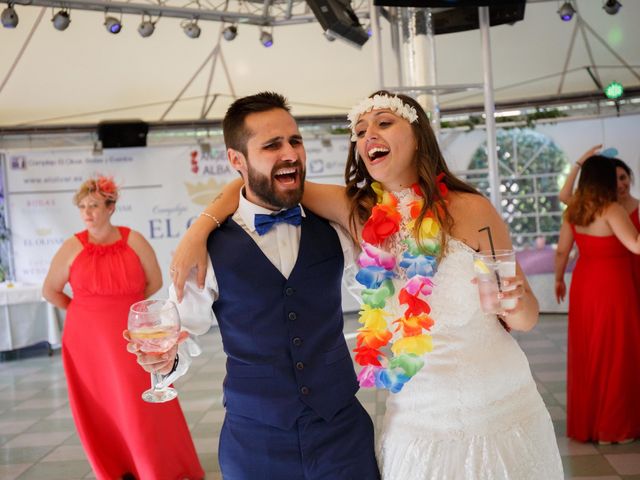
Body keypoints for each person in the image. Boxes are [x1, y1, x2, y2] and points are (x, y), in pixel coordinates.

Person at [169, 91, 563, 479]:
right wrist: (199, 230)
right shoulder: (356, 212)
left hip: (497, 402)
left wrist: (517, 301)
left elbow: (525, 318)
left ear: (417, 135)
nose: (367, 135)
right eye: (360, 130)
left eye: (384, 123)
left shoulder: (471, 209)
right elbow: (258, 184)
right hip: (416, 416)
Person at [132, 92, 380, 479]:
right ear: (236, 160)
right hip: (255, 445)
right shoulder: (207, 250)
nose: (290, 153)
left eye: (295, 141)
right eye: (272, 145)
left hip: (342, 436)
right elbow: (181, 329)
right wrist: (165, 361)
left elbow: (385, 278)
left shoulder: (335, 227)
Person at [42, 176, 204, 480]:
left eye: (93, 205)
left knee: (143, 399)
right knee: (102, 405)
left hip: (132, 335)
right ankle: (118, 467)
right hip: (85, 341)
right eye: (82, 207)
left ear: (111, 207)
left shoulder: (134, 240)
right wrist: (84, 313)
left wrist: (126, 308)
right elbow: (50, 290)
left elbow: (154, 281)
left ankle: (158, 467)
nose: (87, 212)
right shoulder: (71, 247)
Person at [555, 156, 640, 444]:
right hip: (614, 285)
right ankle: (613, 427)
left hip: (585, 283)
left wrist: (558, 279)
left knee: (590, 350)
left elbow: (561, 251)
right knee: (616, 351)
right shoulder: (612, 209)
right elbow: (636, 245)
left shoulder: (575, 210)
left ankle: (592, 425)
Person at [559, 145, 640, 283]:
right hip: (618, 277)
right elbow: (564, 196)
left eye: (623, 177)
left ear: (629, 177)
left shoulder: (634, 207)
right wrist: (579, 163)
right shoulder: (604, 210)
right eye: (614, 180)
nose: (620, 185)